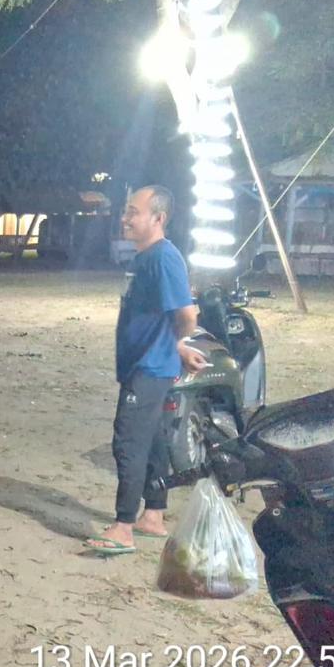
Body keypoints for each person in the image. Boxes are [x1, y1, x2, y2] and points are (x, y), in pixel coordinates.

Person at [83, 185, 207, 557]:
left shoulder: (163, 258)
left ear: (158, 218)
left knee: (128, 441)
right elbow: (159, 317)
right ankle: (153, 514)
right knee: (153, 440)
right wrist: (177, 348)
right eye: (126, 211)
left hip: (149, 369)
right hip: (149, 364)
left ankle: (123, 526)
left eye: (133, 212)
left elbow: (186, 315)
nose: (125, 218)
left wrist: (173, 343)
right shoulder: (145, 258)